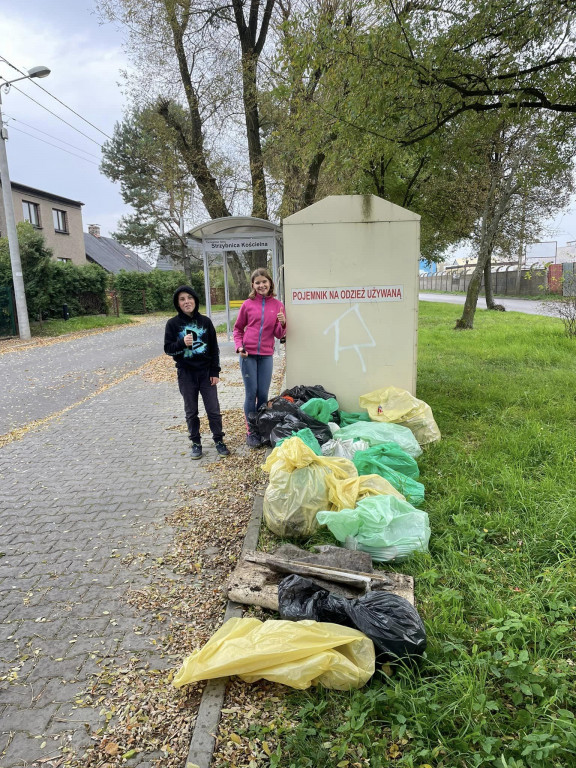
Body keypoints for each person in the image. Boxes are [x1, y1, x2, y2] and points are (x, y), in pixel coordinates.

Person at [164, 285, 230, 459]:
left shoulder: (205, 322)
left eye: (189, 298)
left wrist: (215, 371)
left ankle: (219, 440)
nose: (187, 302)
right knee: (191, 411)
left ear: (195, 299)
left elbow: (214, 348)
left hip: (206, 373)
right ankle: (195, 442)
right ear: (178, 303)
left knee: (213, 410)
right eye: (182, 299)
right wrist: (180, 343)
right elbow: (168, 349)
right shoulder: (172, 324)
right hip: (186, 374)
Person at [233, 268, 287, 447]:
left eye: (264, 281)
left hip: (266, 356)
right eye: (257, 283)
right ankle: (251, 431)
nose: (261, 285)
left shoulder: (278, 305)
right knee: (251, 394)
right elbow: (238, 329)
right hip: (248, 355)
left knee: (263, 394)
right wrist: (239, 346)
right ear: (253, 286)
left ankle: (262, 428)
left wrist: (283, 323)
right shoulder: (247, 304)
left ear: (270, 283)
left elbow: (279, 335)